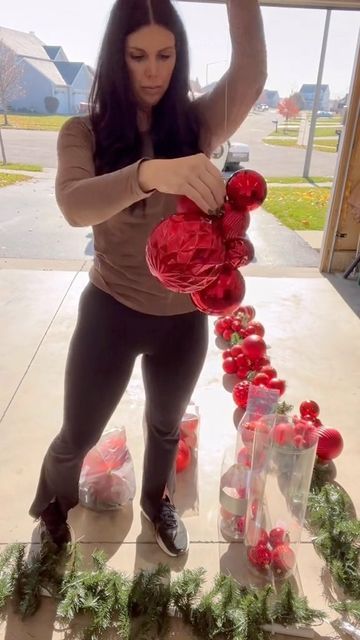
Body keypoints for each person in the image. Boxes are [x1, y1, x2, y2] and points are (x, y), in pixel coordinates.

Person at [29, 0, 266, 557]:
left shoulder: (197, 123)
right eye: (138, 56)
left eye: (166, 55)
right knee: (78, 433)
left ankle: (156, 503)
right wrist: (149, 173)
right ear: (117, 58)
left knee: (165, 426)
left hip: (183, 320)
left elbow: (251, 75)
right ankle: (52, 510)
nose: (154, 71)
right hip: (110, 311)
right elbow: (74, 206)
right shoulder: (81, 132)